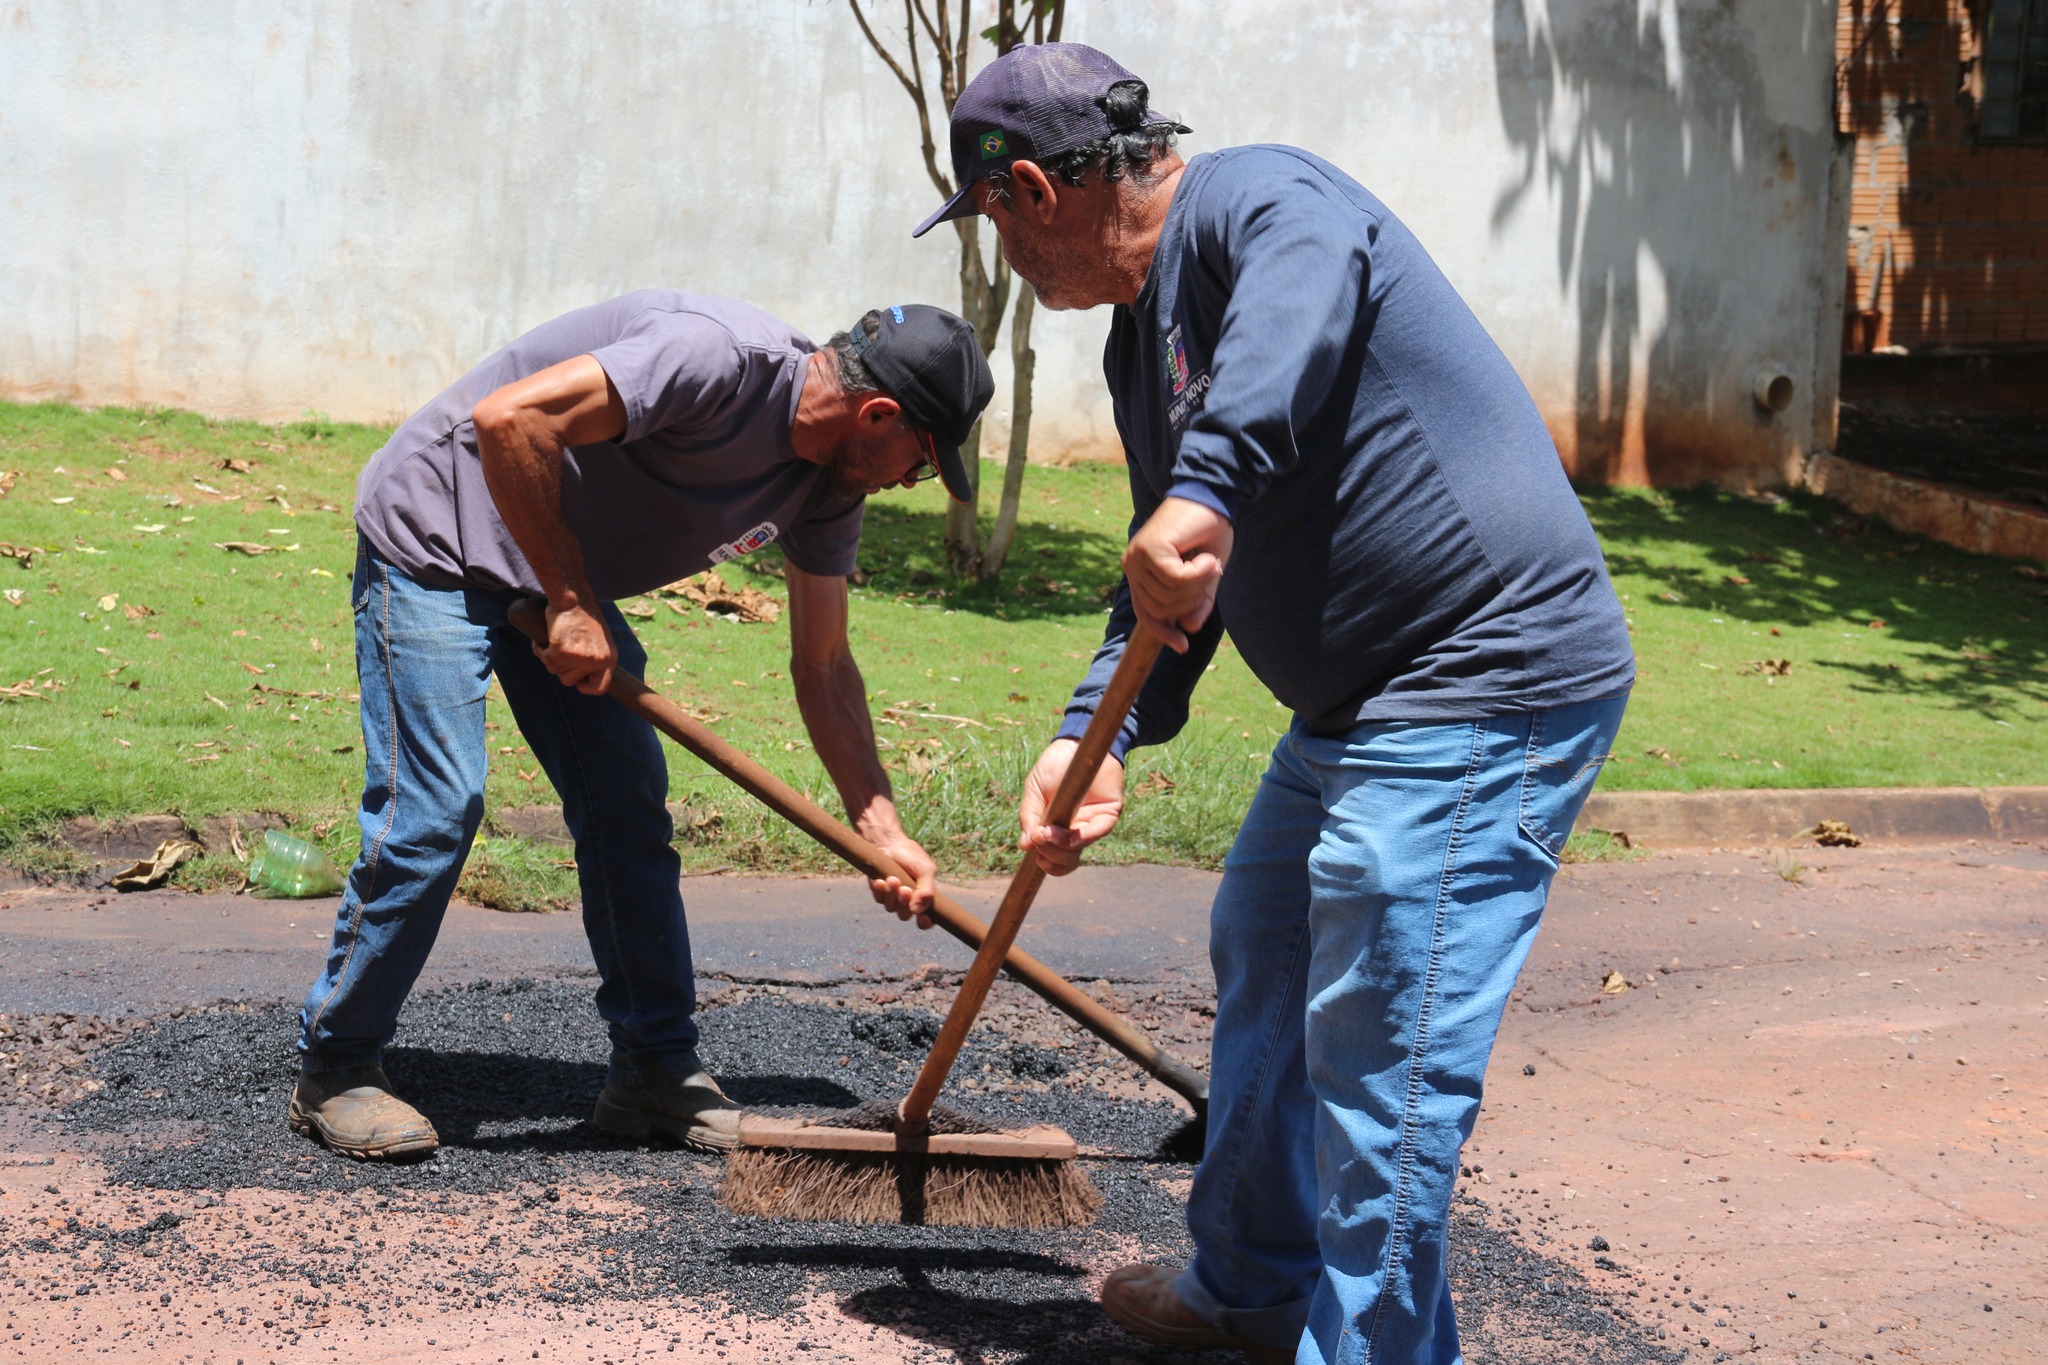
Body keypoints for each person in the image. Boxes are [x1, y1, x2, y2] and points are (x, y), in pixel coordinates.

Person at [909, 44, 1634, 1365]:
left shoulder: (1255, 203)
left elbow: (1309, 280)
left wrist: (1212, 482)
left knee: (1385, 1056)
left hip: (1479, 680)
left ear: (1027, 190)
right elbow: (1166, 572)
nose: (1005, 260)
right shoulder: (1144, 347)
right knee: (1265, 936)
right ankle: (1251, 1282)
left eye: (994, 225)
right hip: (1360, 706)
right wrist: (1097, 731)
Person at [292, 293, 991, 1161]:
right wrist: (574, 601)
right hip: (438, 538)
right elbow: (508, 420)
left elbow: (824, 664)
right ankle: (338, 1061)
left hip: (552, 567)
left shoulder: (830, 486)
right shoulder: (713, 361)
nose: (910, 485)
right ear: (878, 414)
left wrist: (880, 826)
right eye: (921, 465)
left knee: (627, 803)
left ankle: (654, 1071)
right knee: (437, 809)